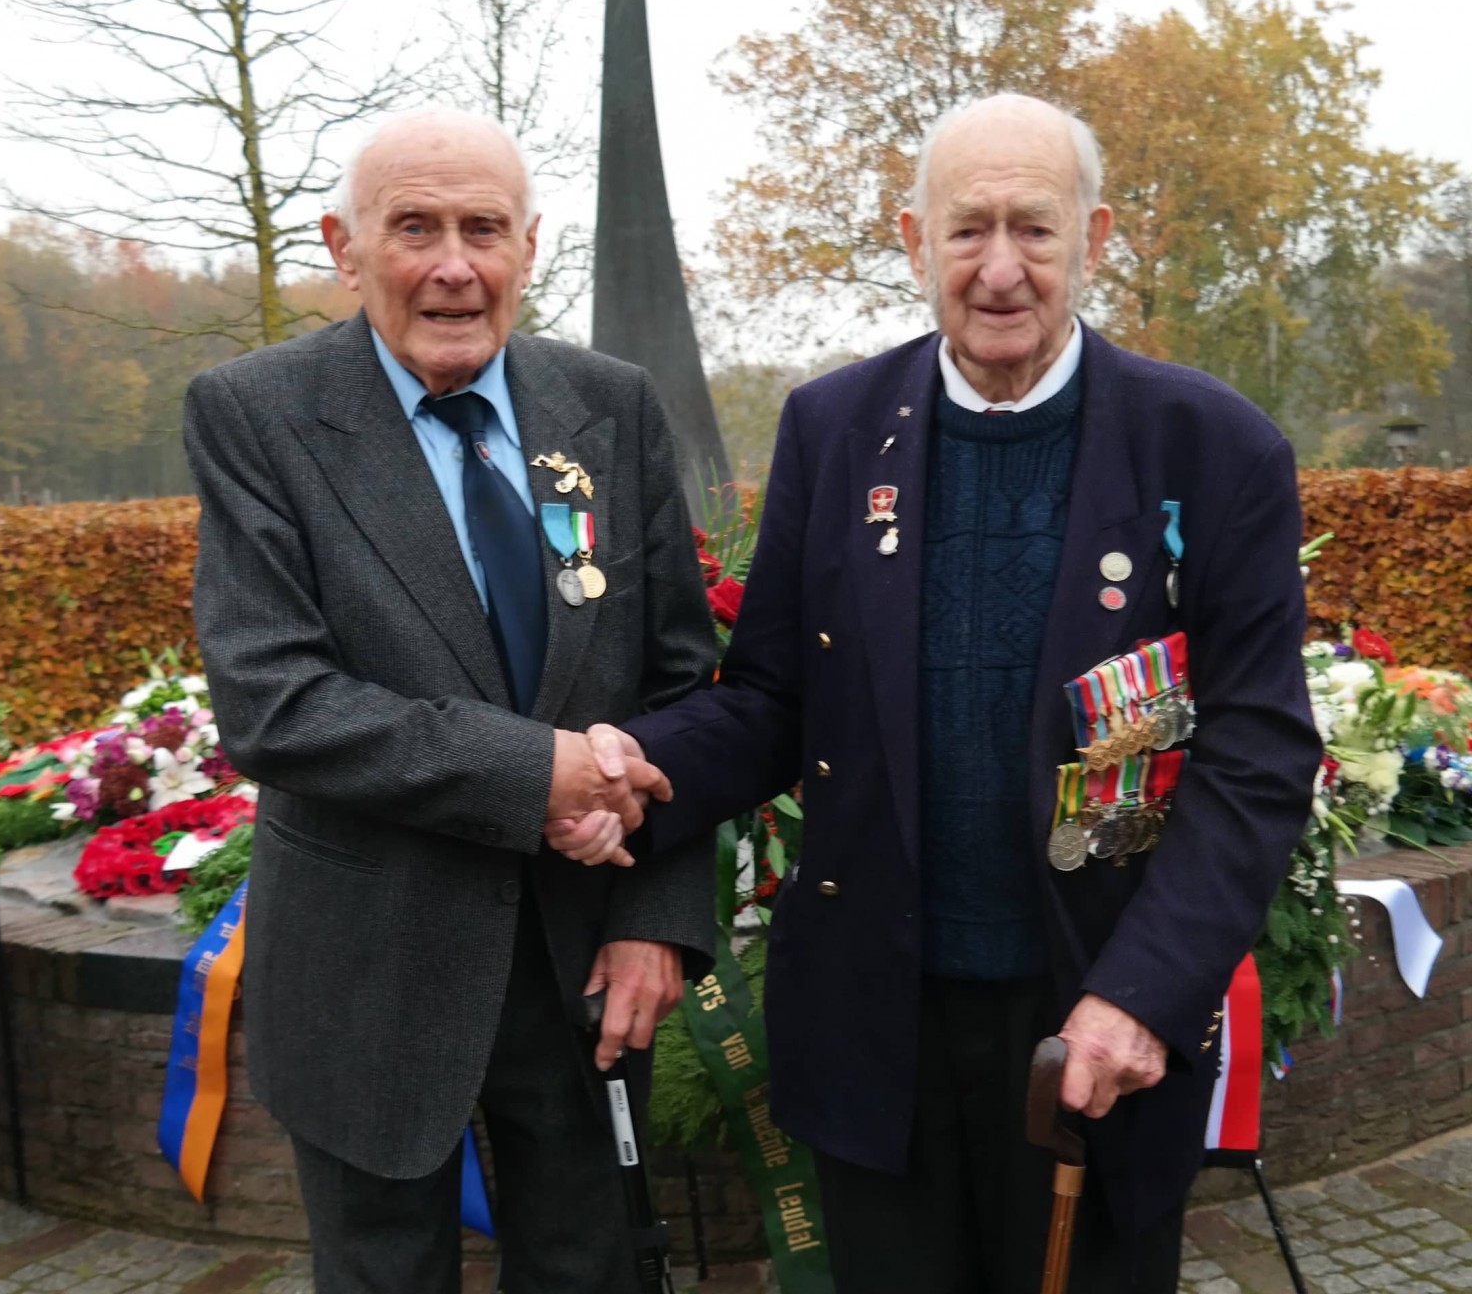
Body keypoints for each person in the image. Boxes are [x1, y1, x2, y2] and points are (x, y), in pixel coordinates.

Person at [551, 93, 1322, 1291]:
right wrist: (641, 770)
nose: (1000, 268)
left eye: (1034, 228)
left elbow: (1257, 757)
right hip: (878, 1023)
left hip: (1094, 1022)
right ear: (913, 241)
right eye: (966, 231)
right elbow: (769, 696)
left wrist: (1142, 994)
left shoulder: (1211, 447)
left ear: (1095, 236)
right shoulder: (832, 426)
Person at [182, 107, 718, 1294]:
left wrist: (659, 916)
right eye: (412, 227)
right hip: (366, 967)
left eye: (483, 228)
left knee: (590, 1273)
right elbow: (275, 700)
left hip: (584, 951)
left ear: (529, 243)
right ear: (343, 242)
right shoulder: (255, 414)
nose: (452, 265)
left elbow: (681, 681)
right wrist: (538, 774)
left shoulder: (612, 406)